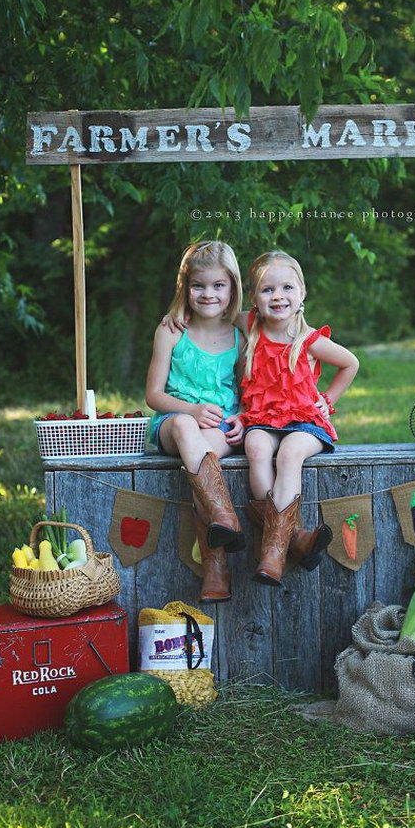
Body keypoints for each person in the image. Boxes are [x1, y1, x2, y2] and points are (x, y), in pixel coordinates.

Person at [239, 250, 359, 586]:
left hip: (305, 421)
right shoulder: (250, 326)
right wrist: (178, 317)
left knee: (289, 454)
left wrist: (328, 400)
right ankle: (291, 539)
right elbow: (214, 311)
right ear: (253, 298)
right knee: (257, 447)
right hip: (263, 418)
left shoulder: (308, 340)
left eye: (287, 288)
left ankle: (273, 553)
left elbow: (351, 363)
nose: (278, 296)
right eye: (267, 290)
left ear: (302, 293)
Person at [145, 241, 246, 604]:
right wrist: (190, 410)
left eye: (218, 285)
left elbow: (249, 389)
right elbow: (153, 395)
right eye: (198, 285)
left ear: (232, 287)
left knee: (204, 455)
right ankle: (224, 517)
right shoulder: (171, 330)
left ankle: (216, 566)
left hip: (221, 429)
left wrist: (243, 417)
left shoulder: (240, 334)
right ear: (184, 287)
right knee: (189, 432)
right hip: (173, 422)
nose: (208, 293)